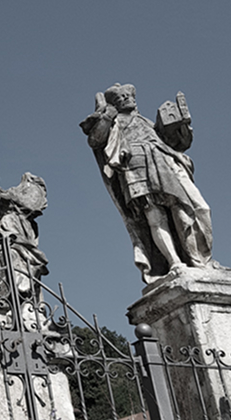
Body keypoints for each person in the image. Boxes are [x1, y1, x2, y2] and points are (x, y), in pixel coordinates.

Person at [80, 83, 213, 281]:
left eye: (129, 95)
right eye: (121, 97)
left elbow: (175, 143)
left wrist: (181, 124)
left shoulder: (147, 122)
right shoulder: (115, 121)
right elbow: (95, 140)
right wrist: (107, 115)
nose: (127, 98)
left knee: (192, 209)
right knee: (155, 216)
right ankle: (174, 262)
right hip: (135, 167)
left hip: (164, 163)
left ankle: (198, 260)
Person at [0, 161, 48, 296]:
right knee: (7, 256)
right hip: (3, 232)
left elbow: (30, 206)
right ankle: (3, 296)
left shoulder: (9, 192)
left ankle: (28, 299)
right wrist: (0, 198)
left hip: (22, 231)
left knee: (29, 263)